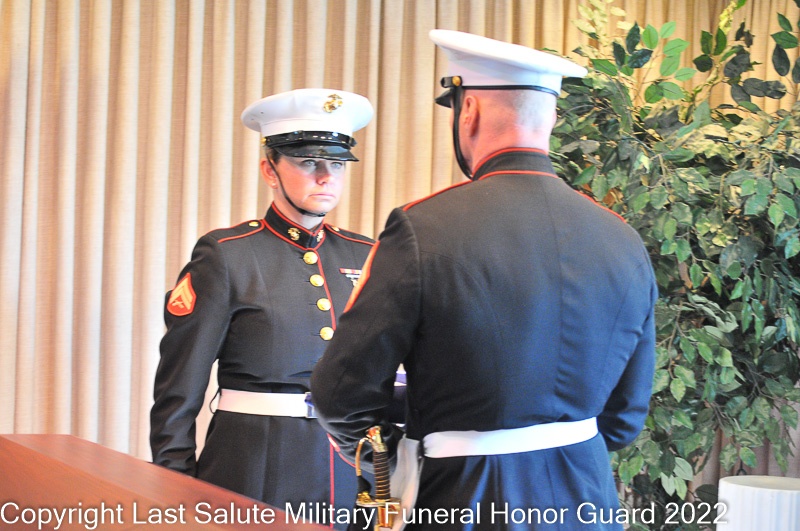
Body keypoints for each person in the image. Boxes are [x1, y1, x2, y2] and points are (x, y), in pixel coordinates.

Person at [310, 30, 658, 530]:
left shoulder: (423, 228)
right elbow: (624, 419)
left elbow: (341, 393)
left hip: (464, 495)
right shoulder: (622, 237)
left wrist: (387, 464)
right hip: (588, 497)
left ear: (468, 110)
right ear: (551, 118)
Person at [150, 88, 376, 525]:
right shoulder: (228, 255)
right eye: (308, 162)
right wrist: (175, 485)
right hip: (253, 468)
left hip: (350, 475)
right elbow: (180, 385)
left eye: (337, 164)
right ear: (269, 170)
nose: (326, 176)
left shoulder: (365, 255)